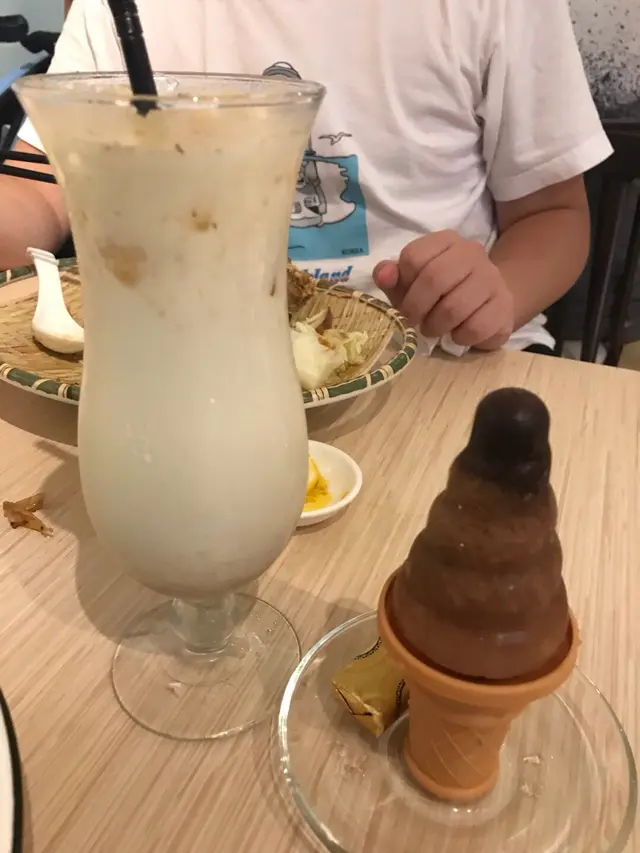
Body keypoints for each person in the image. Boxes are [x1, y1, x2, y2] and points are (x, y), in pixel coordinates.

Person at [0, 0, 612, 354]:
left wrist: (499, 292)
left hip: (441, 357)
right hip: (189, 353)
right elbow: (43, 191)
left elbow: (552, 215)